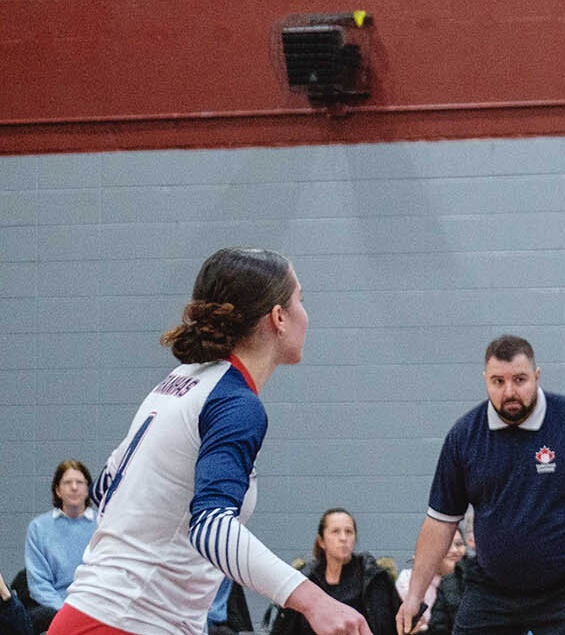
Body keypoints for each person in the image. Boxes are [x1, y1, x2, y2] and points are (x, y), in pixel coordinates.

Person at [51, 247, 370, 635]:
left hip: (98, 614)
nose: (306, 313)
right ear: (279, 318)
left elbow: (104, 486)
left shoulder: (178, 383)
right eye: (300, 299)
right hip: (128, 622)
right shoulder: (235, 402)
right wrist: (315, 600)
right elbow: (211, 528)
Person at [399, 335, 565, 635]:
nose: (509, 391)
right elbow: (440, 522)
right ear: (485, 380)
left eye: (519, 379)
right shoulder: (465, 436)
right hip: (493, 587)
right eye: (498, 381)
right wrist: (414, 595)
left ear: (536, 376)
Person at [273, 509, 401, 635]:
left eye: (349, 532)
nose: (343, 538)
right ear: (321, 541)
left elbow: (399, 626)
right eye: (335, 532)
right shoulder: (304, 580)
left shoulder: (375, 578)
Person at [24, 460, 96, 633]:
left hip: (95, 608)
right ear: (57, 490)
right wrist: (66, 613)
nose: (74, 487)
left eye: (79, 483)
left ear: (87, 490)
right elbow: (38, 584)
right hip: (54, 611)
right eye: (67, 483)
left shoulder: (104, 525)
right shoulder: (38, 528)